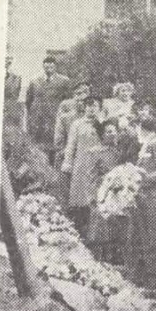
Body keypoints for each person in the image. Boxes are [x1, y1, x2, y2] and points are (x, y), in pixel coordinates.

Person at [126, 115, 156, 287]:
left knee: (153, 239)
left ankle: (154, 278)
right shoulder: (146, 144)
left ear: (142, 128)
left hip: (155, 200)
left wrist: (142, 179)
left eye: (137, 128)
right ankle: (145, 276)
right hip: (145, 200)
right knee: (143, 238)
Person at [61, 96, 105, 237]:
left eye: (95, 106)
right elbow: (71, 145)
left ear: (99, 108)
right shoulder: (77, 124)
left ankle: (95, 234)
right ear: (85, 107)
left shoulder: (102, 124)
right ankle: (79, 231)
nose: (91, 109)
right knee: (80, 199)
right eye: (89, 106)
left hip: (98, 165)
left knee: (96, 197)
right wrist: (68, 162)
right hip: (82, 164)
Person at [86, 119, 124, 264]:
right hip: (102, 194)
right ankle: (100, 260)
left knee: (117, 228)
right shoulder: (95, 152)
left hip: (119, 195)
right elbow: (90, 176)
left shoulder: (120, 152)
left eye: (114, 131)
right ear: (102, 135)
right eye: (108, 132)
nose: (112, 134)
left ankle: (115, 260)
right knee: (100, 229)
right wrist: (94, 196)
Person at [25, 55, 71, 164]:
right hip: (38, 121)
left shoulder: (64, 81)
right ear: (43, 67)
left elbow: (68, 102)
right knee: (38, 147)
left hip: (55, 120)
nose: (48, 69)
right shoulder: (35, 81)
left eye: (51, 66)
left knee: (55, 145)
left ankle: (55, 169)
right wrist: (34, 115)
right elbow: (28, 101)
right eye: (46, 67)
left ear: (55, 66)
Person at [53, 81, 91, 169]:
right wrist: (64, 152)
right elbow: (59, 138)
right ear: (74, 96)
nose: (81, 97)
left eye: (85, 93)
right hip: (69, 153)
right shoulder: (66, 117)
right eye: (78, 94)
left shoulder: (94, 115)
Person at [4, 55, 23, 127]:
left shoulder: (16, 78)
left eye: (9, 60)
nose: (8, 61)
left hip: (10, 112)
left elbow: (15, 94)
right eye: (6, 59)